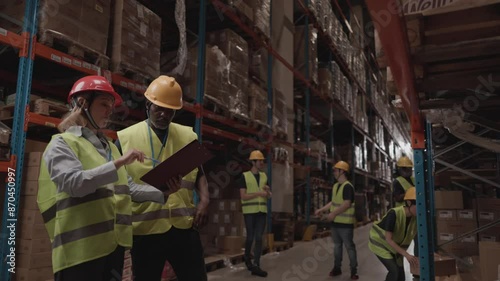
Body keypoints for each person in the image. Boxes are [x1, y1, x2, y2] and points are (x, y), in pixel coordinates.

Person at [37, 75, 166, 281]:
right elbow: (74, 184)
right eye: (104, 104)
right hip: (79, 253)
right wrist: (118, 163)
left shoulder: (110, 147)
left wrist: (164, 193)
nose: (109, 111)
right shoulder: (62, 144)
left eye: (111, 106)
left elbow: (128, 188)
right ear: (82, 103)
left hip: (112, 248)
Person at [116, 75, 209, 281]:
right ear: (148, 105)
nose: (164, 114)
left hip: (183, 227)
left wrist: (204, 200)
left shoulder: (188, 136)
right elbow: (118, 185)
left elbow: (200, 173)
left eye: (170, 110)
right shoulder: (125, 138)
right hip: (146, 230)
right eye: (159, 108)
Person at [315, 161, 359, 280]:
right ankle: (337, 268)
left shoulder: (348, 186)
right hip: (335, 223)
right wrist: (321, 209)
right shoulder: (335, 186)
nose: (334, 173)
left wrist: (333, 213)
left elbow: (347, 204)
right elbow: (333, 202)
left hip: (345, 224)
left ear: (342, 171)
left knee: (349, 247)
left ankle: (353, 271)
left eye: (336, 170)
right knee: (337, 246)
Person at [368, 187, 419, 281]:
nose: (421, 209)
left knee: (401, 275)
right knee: (394, 271)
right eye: (418, 205)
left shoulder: (415, 218)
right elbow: (388, 239)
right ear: (409, 203)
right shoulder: (394, 214)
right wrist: (406, 255)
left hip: (395, 248)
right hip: (380, 244)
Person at [238, 150, 271, 277]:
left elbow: (268, 196)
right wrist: (259, 193)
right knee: (250, 237)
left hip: (261, 212)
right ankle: (247, 258)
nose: (262, 163)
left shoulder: (264, 176)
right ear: (253, 162)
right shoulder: (244, 176)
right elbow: (243, 196)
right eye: (259, 160)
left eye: (262, 160)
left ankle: (256, 264)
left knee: (259, 238)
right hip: (250, 212)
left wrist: (267, 192)